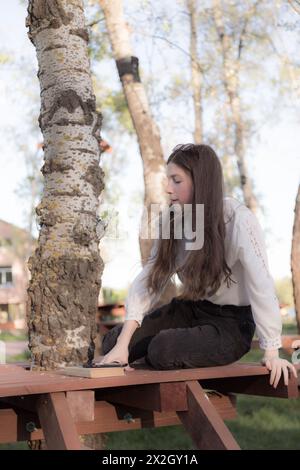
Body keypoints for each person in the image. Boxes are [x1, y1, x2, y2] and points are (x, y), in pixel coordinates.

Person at [99, 143, 297, 389]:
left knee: (163, 349)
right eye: (167, 180)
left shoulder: (238, 220)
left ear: (200, 182)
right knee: (112, 342)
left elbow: (262, 284)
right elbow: (149, 279)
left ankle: (156, 356)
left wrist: (271, 351)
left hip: (231, 324)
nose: (168, 189)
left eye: (176, 180)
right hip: (190, 308)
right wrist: (123, 345)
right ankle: (133, 352)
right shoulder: (172, 220)